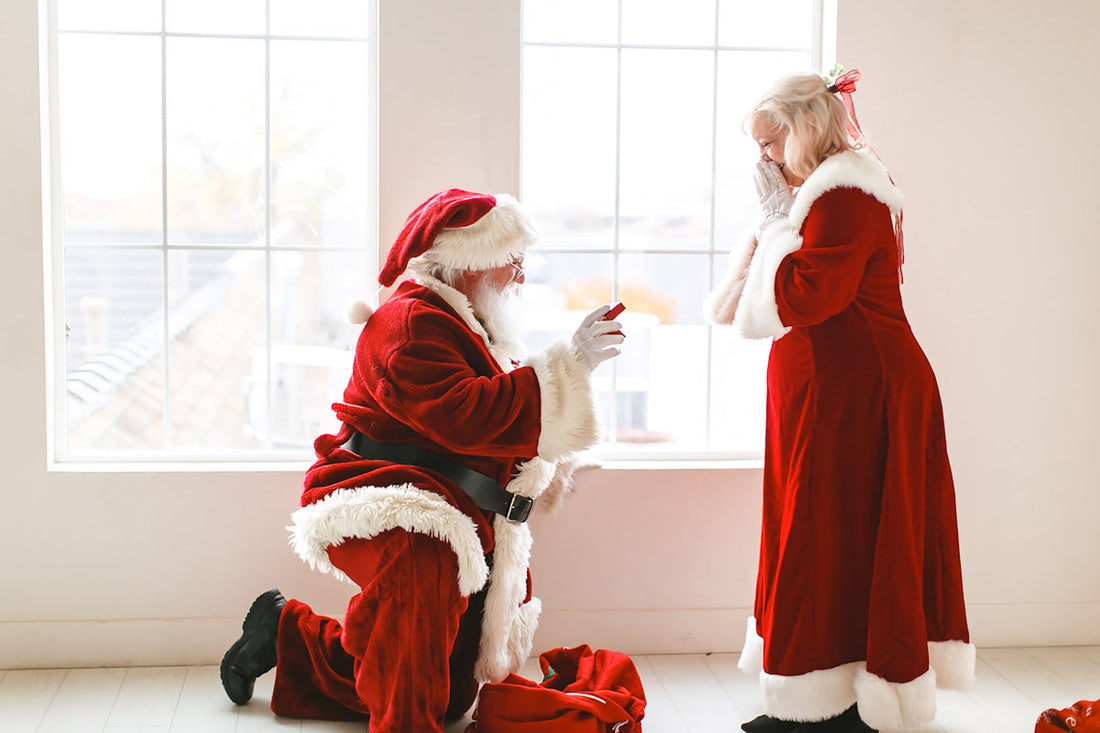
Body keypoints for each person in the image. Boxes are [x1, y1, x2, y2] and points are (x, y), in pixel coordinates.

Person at [219, 188, 625, 732]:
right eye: (512, 260)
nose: (521, 275)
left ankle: (286, 634)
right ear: (469, 262)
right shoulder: (410, 323)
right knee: (420, 572)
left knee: (447, 693)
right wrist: (570, 362)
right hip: (380, 493)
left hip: (446, 499)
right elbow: (468, 415)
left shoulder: (466, 322)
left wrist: (566, 375)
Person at [705, 70, 974, 733]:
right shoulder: (822, 194)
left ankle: (833, 700)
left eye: (771, 142)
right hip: (832, 392)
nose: (764, 158)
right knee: (822, 530)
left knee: (833, 534)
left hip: (860, 396)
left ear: (804, 130)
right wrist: (778, 220)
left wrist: (776, 221)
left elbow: (804, 297)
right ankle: (822, 690)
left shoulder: (846, 194)